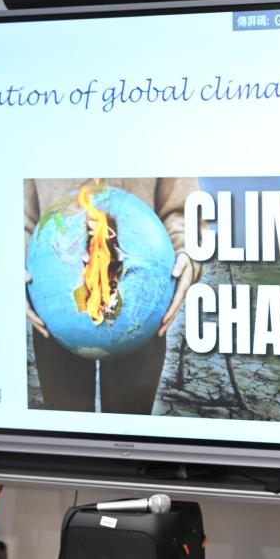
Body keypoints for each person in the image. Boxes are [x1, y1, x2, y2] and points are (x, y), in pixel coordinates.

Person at [24, 177, 201, 413]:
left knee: (130, 425)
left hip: (140, 308)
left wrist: (188, 253)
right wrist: (12, 263)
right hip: (54, 306)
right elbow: (20, 217)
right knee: (66, 428)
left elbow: (183, 212)